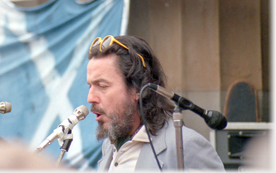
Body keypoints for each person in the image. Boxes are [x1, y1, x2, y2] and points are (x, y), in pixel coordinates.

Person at [86, 35, 225, 171]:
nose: (90, 97)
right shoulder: (109, 146)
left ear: (137, 88)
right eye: (89, 86)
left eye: (102, 86)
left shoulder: (185, 146)